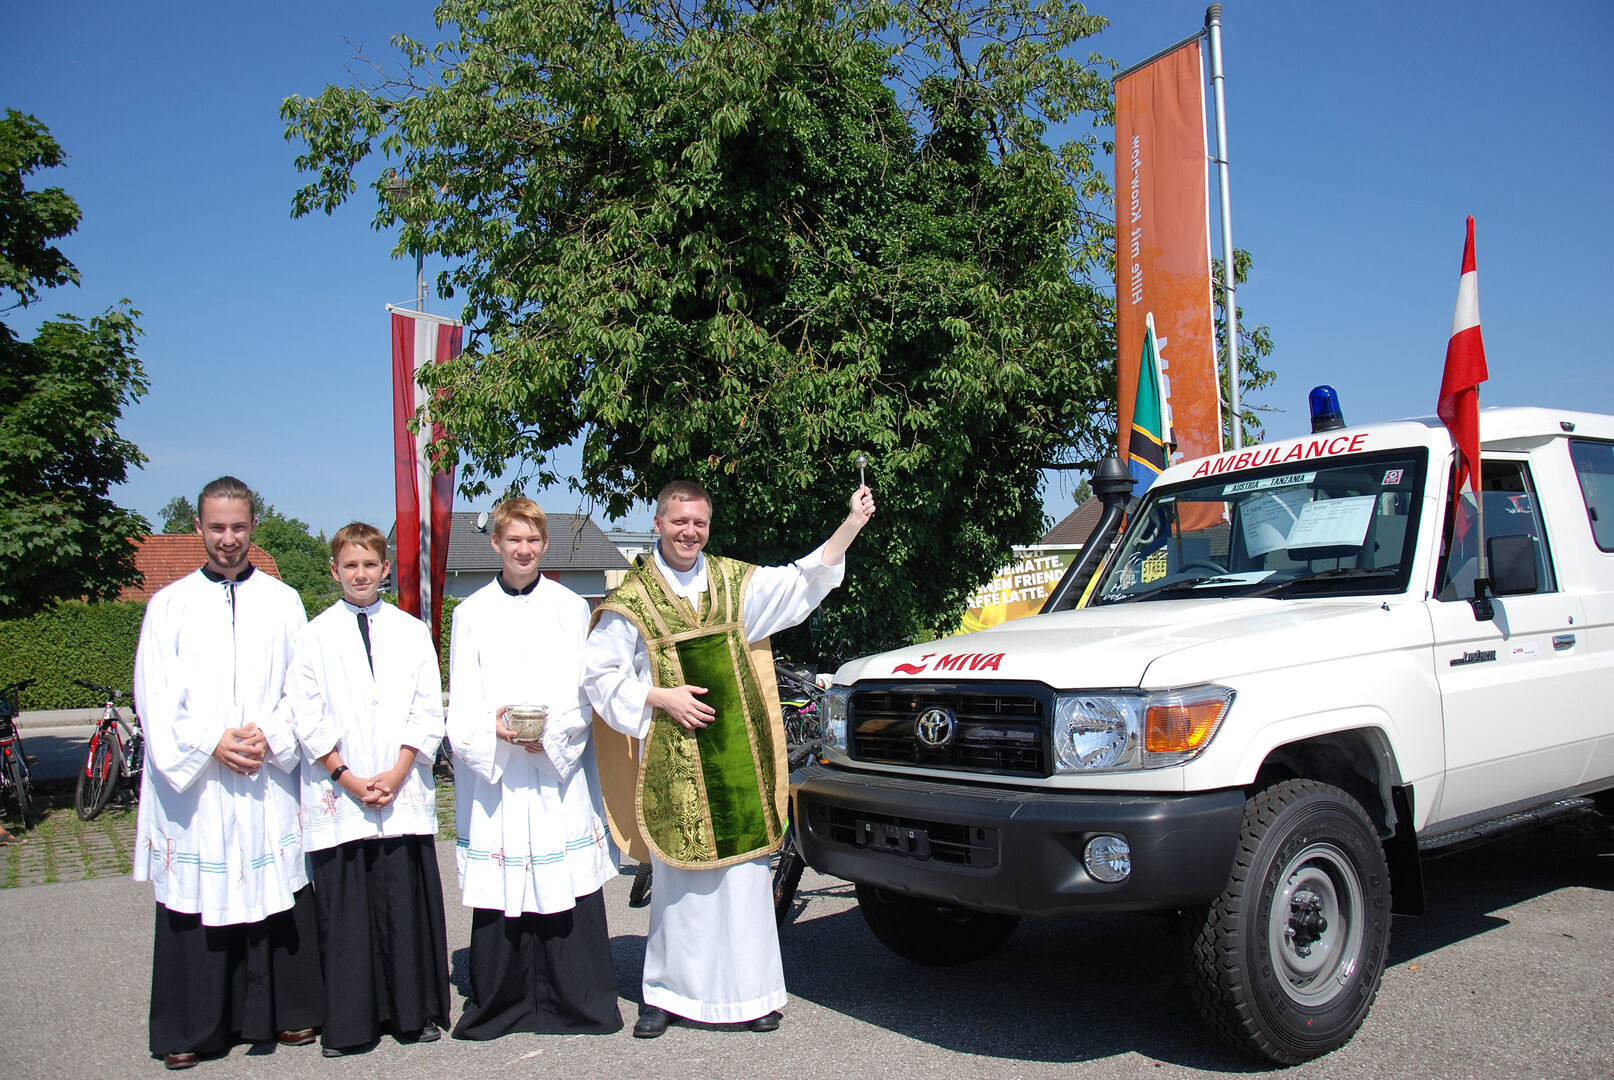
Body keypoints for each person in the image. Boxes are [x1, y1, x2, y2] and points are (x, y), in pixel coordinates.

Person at [584, 479, 875, 1038]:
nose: (688, 532)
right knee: (679, 883)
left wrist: (851, 525)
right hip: (673, 753)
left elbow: (800, 579)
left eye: (698, 522)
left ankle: (751, 994)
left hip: (737, 753)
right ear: (658, 523)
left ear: (707, 526)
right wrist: (658, 697)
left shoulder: (733, 582)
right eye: (678, 521)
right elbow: (600, 676)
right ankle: (665, 995)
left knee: (743, 879)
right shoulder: (632, 601)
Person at [132, 476, 322, 1070]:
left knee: (272, 892)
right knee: (198, 898)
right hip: (199, 785)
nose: (228, 539)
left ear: (253, 527)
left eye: (238, 527)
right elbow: (154, 697)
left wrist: (271, 732)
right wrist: (212, 742)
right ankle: (191, 1027)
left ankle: (285, 1014)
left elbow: (303, 686)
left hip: (264, 772)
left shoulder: (283, 600)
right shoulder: (170, 605)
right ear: (198, 528)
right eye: (217, 527)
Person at [447, 498, 622, 1038]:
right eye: (513, 540)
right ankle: (504, 1001)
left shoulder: (571, 608)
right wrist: (490, 731)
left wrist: (552, 735)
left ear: (545, 545)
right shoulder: (469, 613)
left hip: (554, 771)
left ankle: (578, 1001)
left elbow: (585, 691)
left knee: (561, 877)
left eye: (532, 540)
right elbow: (462, 696)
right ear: (495, 544)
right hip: (499, 775)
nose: (523, 549)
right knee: (505, 883)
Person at [284, 522, 451, 1057]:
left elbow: (428, 707)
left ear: (385, 569)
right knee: (348, 911)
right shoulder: (314, 635)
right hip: (342, 793)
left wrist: (401, 770)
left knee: (404, 904)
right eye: (349, 565)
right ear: (334, 571)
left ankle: (414, 1012)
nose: (361, 574)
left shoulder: (410, 631)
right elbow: (304, 712)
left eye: (370, 564)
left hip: (400, 790)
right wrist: (345, 775)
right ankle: (351, 1022)